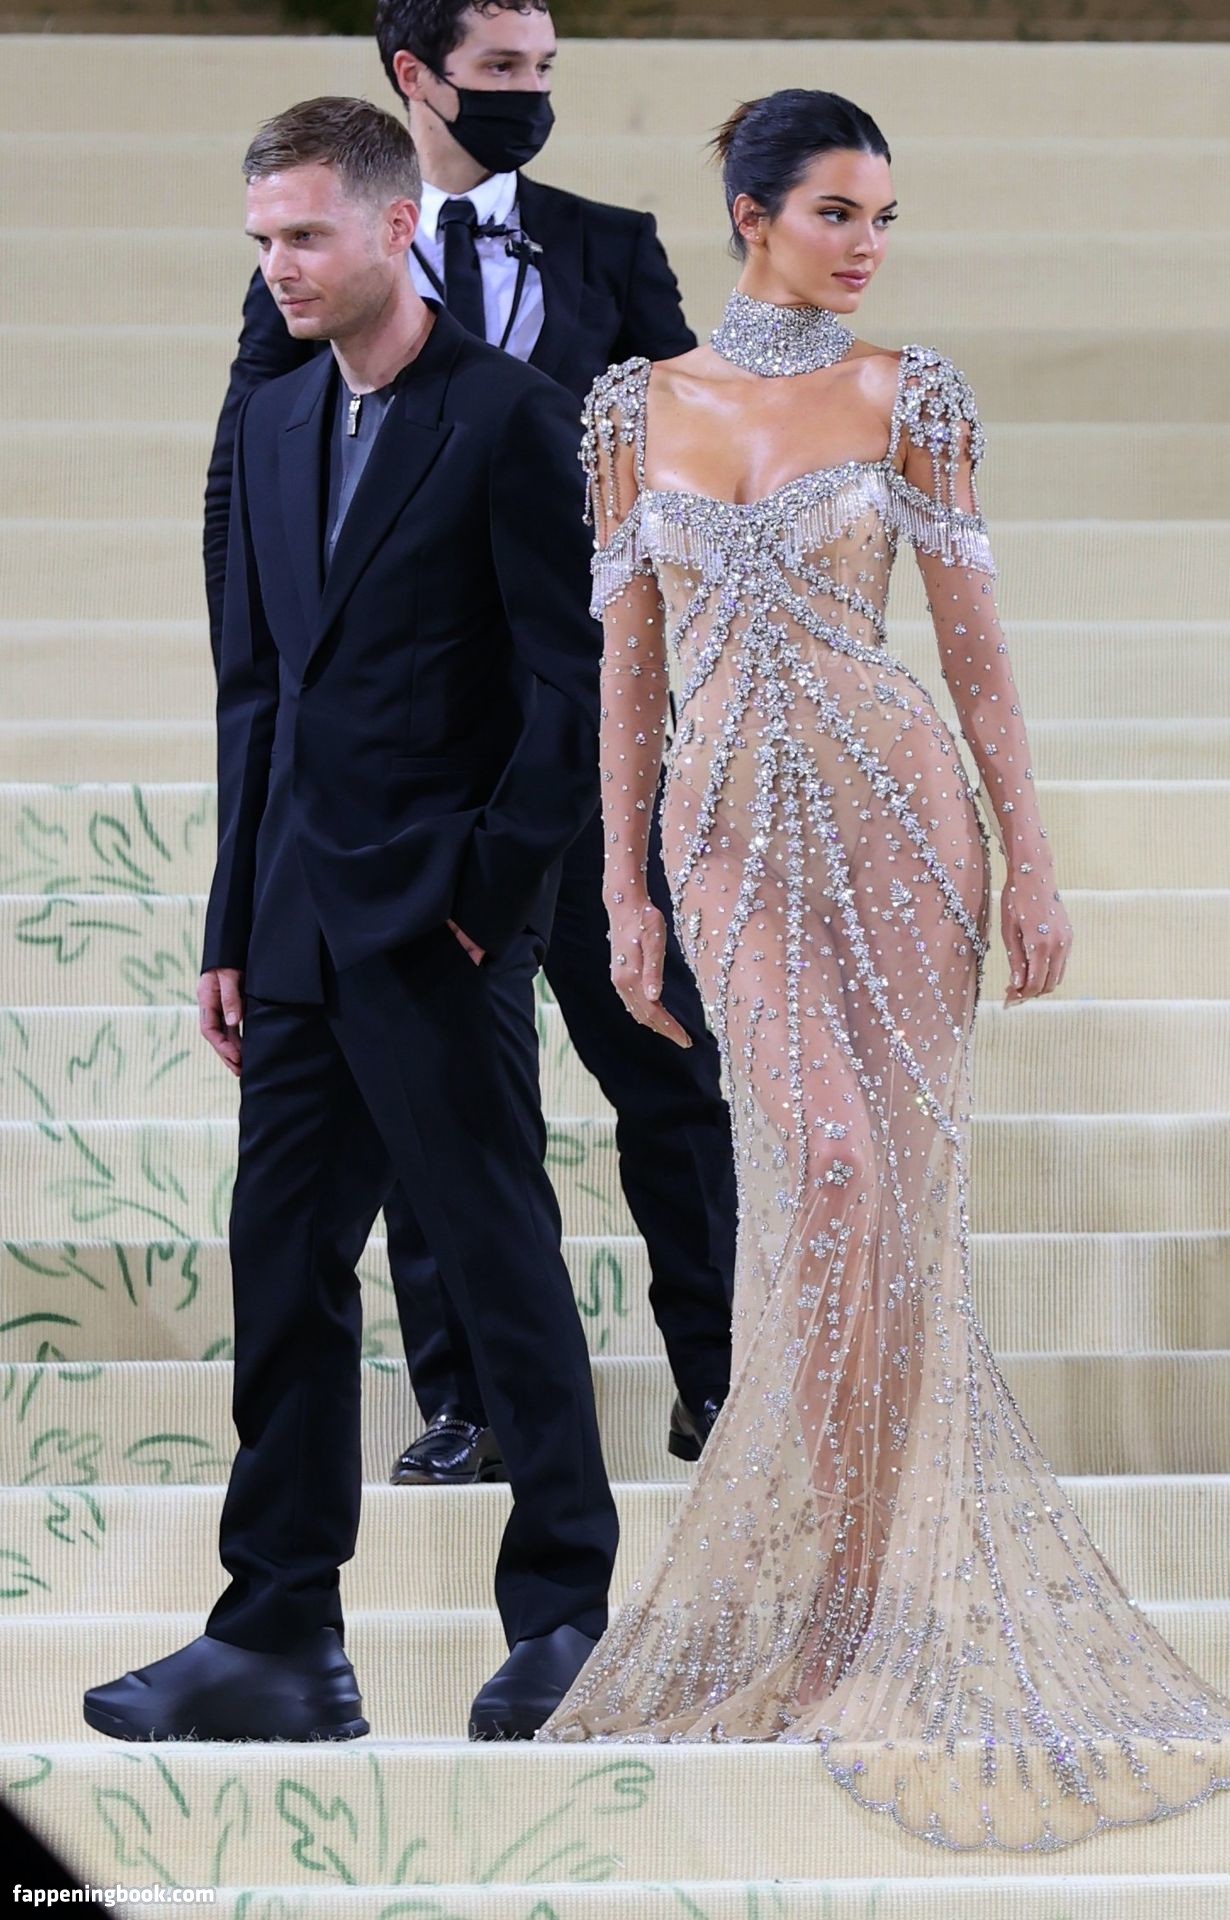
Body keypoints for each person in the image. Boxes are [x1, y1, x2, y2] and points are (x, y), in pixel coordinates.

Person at [534, 89, 1230, 1848]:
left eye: (885, 218)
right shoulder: (634, 410)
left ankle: (874, 1615)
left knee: (892, 1209)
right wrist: (622, 890)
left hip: (898, 819)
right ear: (750, 216)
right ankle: (829, 1604)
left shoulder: (907, 393)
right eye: (838, 213)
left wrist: (1034, 859)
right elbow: (625, 667)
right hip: (723, 842)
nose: (867, 246)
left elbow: (975, 648)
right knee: (825, 1179)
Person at [84, 97, 615, 1743]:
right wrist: (230, 921)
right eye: (263, 238)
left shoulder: (514, 419)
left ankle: (566, 1619)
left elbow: (578, 691)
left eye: (306, 234)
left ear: (397, 226)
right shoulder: (271, 423)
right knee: (287, 1276)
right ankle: (277, 1638)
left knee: (497, 1263)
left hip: (439, 926)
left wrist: (488, 898)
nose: (280, 266)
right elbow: (259, 692)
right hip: (298, 921)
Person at [204, 0, 736, 1491]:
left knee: (667, 1067)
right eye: (502, 68)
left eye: (542, 68)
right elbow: (249, 484)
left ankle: (722, 1379)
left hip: (581, 754)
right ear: (415, 77)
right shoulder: (309, 261)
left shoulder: (608, 248)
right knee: (431, 1102)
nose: (529, 91)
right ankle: (473, 1401)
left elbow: (693, 468)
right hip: (411, 783)